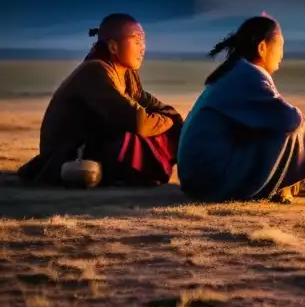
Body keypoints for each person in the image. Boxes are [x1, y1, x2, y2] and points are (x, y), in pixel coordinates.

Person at [17, 14, 182, 187]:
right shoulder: (95, 71)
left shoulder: (128, 75)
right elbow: (138, 122)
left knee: (170, 130)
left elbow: (155, 106)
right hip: (71, 152)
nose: (143, 48)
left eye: (144, 42)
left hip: (98, 144)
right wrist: (167, 121)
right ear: (113, 46)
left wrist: (172, 121)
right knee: (132, 136)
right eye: (137, 41)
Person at [178, 16, 305, 204]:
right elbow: (286, 118)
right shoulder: (247, 76)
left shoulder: (238, 71)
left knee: (282, 121)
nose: (282, 54)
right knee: (290, 125)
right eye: (280, 46)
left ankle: (293, 180)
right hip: (210, 180)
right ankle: (288, 182)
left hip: (198, 178)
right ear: (262, 48)